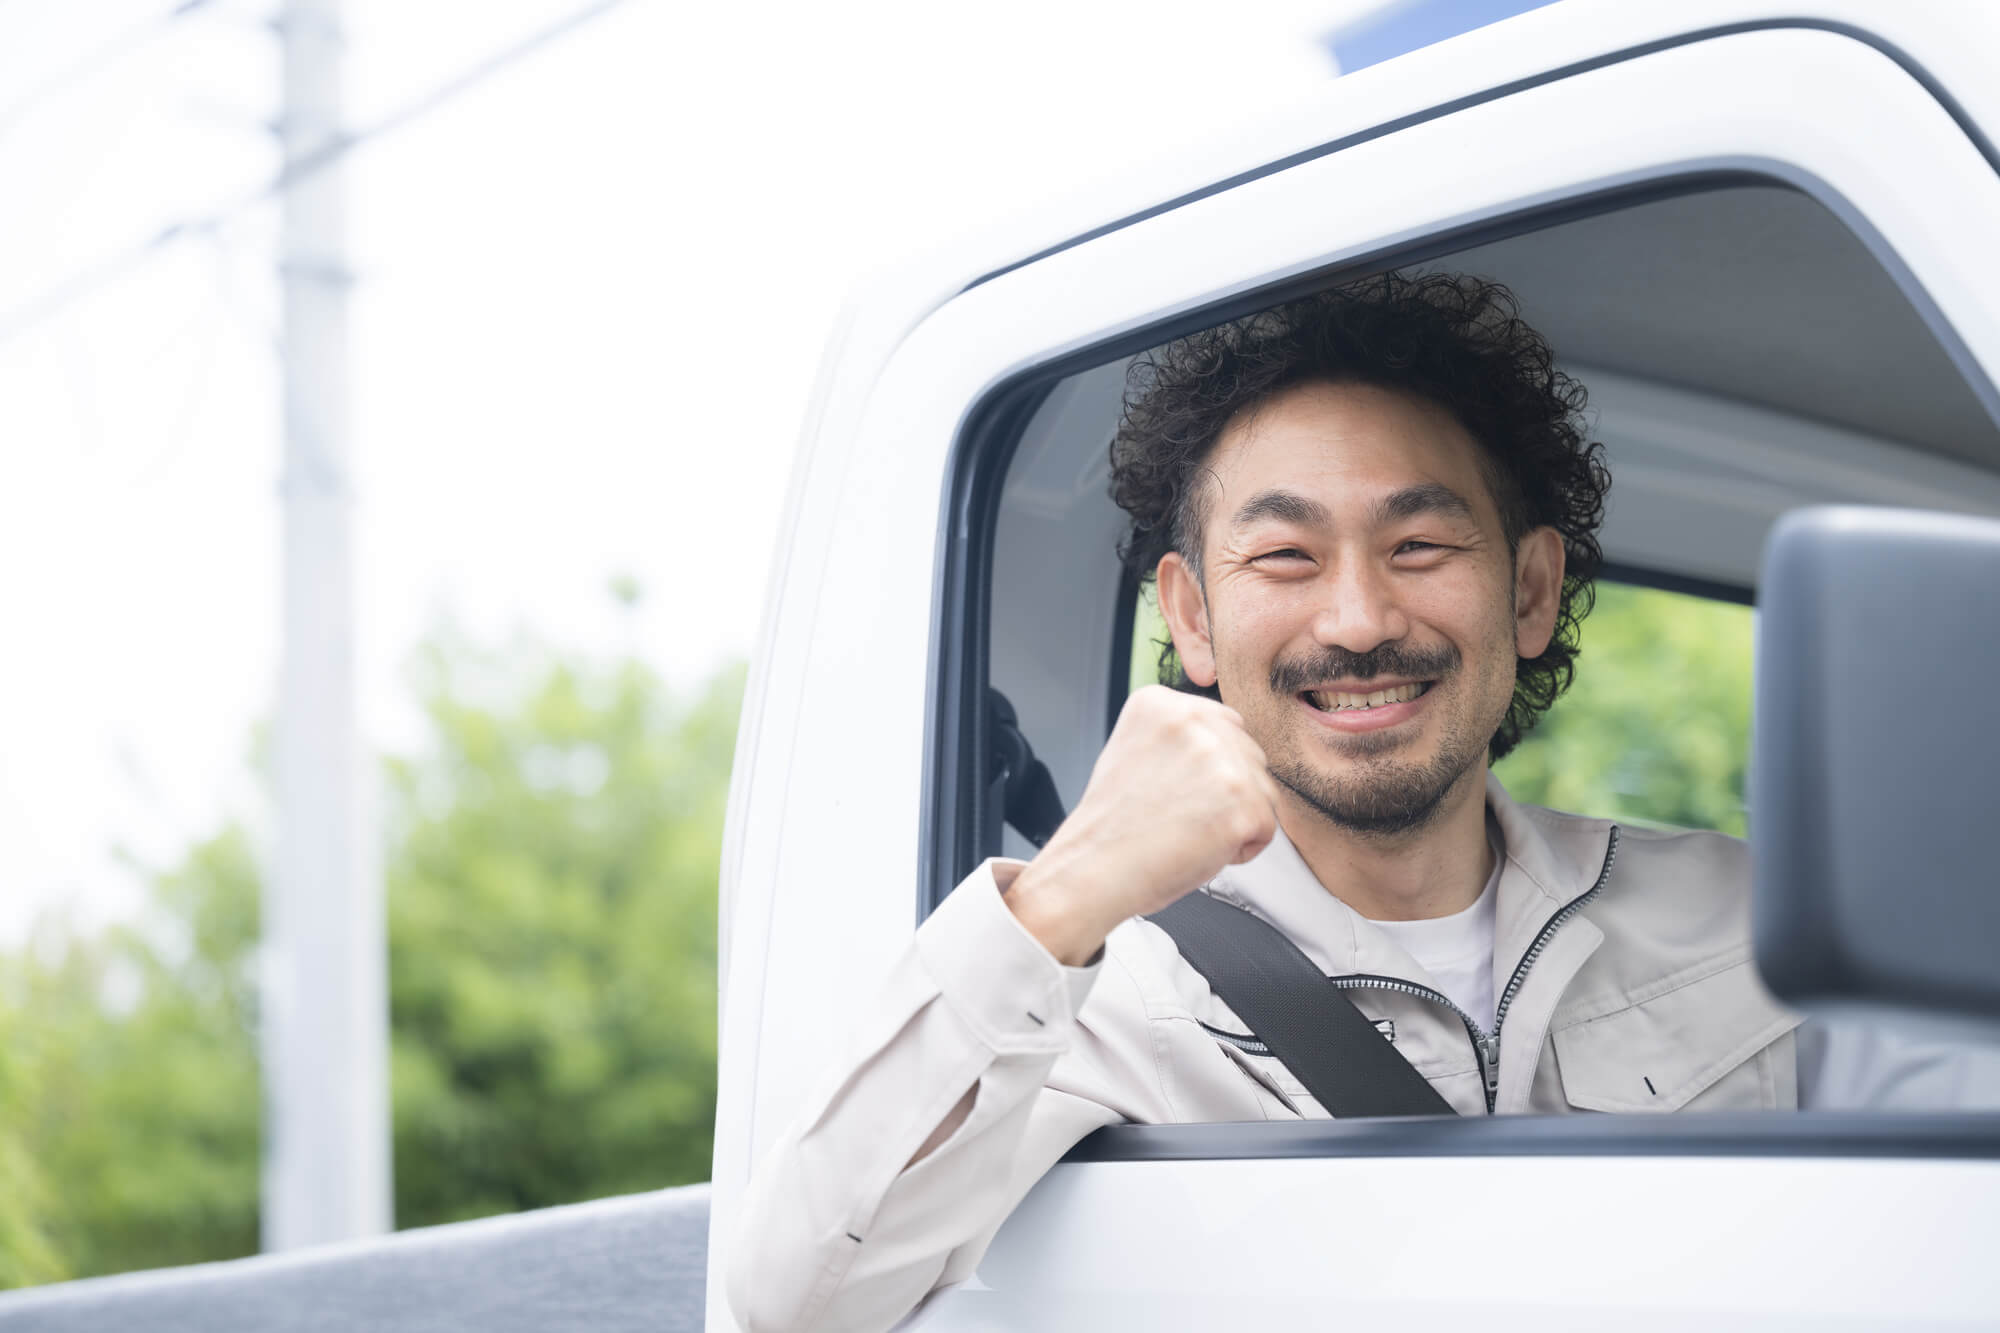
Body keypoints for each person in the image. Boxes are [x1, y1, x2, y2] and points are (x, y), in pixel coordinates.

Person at [725, 273, 1996, 1333]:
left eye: (1419, 547)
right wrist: (1065, 893)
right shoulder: (1092, 1004)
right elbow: (790, 1304)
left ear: (1531, 590)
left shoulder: (1755, 923)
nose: (1356, 620)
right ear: (1190, 617)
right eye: (1282, 556)